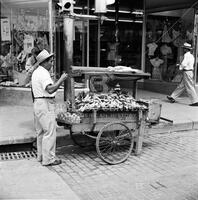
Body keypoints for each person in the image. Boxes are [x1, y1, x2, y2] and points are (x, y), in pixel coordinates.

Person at [31, 49, 68, 166]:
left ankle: (41, 156)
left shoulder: (36, 72)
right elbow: (50, 89)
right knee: (50, 132)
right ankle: (49, 159)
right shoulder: (43, 73)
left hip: (38, 103)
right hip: (45, 103)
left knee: (41, 132)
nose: (52, 64)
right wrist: (61, 79)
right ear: (44, 62)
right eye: (50, 62)